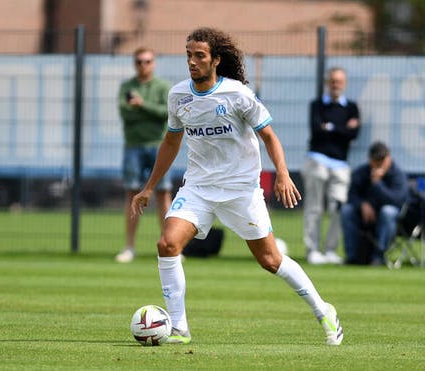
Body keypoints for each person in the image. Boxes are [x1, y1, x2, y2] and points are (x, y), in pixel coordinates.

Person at [131, 27, 343, 346]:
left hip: (241, 190)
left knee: (270, 260)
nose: (192, 61)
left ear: (215, 60)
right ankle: (178, 327)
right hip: (198, 189)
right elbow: (171, 142)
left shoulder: (237, 94)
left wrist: (283, 174)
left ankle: (324, 310)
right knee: (167, 244)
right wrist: (149, 187)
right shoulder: (178, 96)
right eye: (188, 55)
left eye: (199, 55)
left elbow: (269, 136)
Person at [115, 47, 172, 263]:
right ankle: (129, 246)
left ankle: (169, 243)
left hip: (159, 146)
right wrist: (147, 111)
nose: (143, 65)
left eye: (147, 61)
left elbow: (165, 114)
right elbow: (125, 113)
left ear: (154, 63)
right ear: (134, 63)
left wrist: (141, 105)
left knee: (163, 194)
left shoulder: (163, 87)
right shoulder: (127, 87)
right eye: (139, 61)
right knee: (132, 194)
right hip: (133, 146)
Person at [301, 67, 361, 265]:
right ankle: (312, 250)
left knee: (338, 207)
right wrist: (342, 129)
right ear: (328, 82)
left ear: (344, 84)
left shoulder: (351, 107)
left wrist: (331, 128)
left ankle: (330, 250)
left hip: (340, 164)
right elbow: (317, 131)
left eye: (339, 81)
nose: (336, 85)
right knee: (314, 207)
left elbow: (354, 135)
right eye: (333, 81)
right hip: (317, 160)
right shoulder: (317, 105)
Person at [341, 141, 408, 265]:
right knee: (347, 210)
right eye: (376, 160)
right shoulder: (361, 172)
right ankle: (352, 257)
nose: (379, 164)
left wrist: (377, 184)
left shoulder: (397, 175)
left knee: (388, 211)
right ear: (369, 160)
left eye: (382, 160)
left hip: (389, 217)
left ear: (389, 158)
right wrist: (362, 204)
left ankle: (378, 257)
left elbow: (397, 200)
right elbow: (352, 195)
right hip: (364, 215)